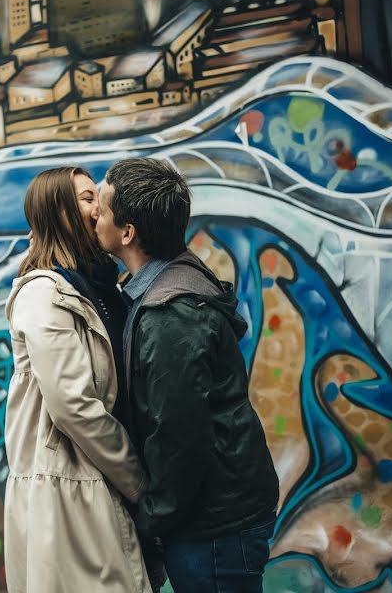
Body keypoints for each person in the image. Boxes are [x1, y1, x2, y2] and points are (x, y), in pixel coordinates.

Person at [92, 158, 280, 593]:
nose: (92, 216)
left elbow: (180, 434)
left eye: (100, 208)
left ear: (127, 232)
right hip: (219, 513)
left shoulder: (169, 314)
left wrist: (151, 518)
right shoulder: (173, 279)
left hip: (212, 524)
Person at [3, 167, 151, 593]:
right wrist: (139, 481)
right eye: (88, 199)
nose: (99, 207)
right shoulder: (44, 294)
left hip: (102, 484)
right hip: (69, 494)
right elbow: (74, 407)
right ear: (61, 214)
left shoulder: (104, 290)